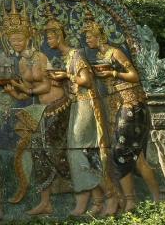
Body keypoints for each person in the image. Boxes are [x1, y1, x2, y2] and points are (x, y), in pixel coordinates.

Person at [0, 5, 70, 216]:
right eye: (13, 41)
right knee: (38, 151)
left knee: (54, 150)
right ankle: (45, 201)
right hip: (42, 109)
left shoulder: (39, 57)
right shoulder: (20, 63)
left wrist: (23, 88)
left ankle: (87, 189)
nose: (16, 44)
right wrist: (13, 91)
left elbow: (46, 86)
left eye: (19, 40)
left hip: (59, 106)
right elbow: (27, 94)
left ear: (28, 38)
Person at [84, 16, 161, 212]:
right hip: (117, 107)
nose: (87, 40)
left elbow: (134, 76)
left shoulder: (115, 53)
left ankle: (145, 199)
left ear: (99, 36)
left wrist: (114, 74)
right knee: (135, 157)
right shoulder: (101, 58)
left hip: (132, 105)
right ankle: (145, 199)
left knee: (122, 154)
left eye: (89, 36)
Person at [45, 15, 118, 217]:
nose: (47, 41)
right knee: (77, 153)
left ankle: (111, 197)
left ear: (59, 36)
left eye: (50, 37)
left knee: (81, 151)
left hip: (87, 104)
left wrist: (66, 76)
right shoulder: (67, 58)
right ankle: (96, 201)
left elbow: (86, 79)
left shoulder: (76, 54)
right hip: (78, 104)